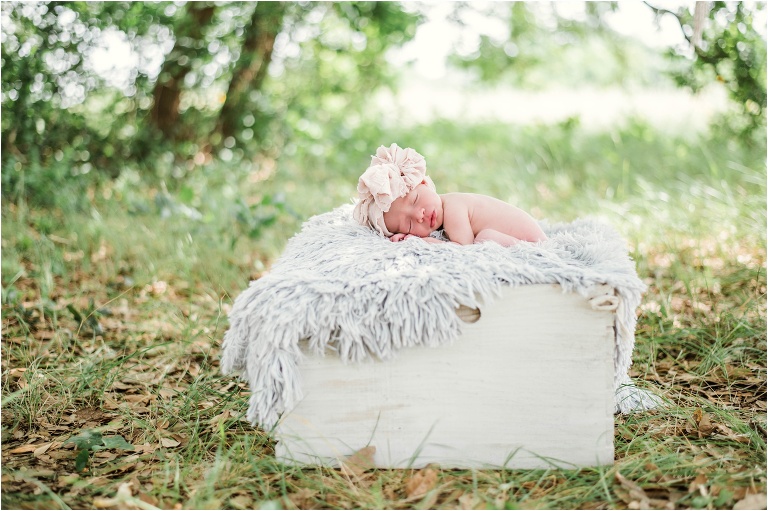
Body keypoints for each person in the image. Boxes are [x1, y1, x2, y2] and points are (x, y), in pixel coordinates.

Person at [352, 143, 547, 247]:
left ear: (424, 183)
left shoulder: (454, 207)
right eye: (409, 225)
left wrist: (426, 242)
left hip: (531, 242)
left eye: (415, 200)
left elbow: (463, 247)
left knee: (484, 238)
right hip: (524, 235)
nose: (419, 215)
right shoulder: (443, 210)